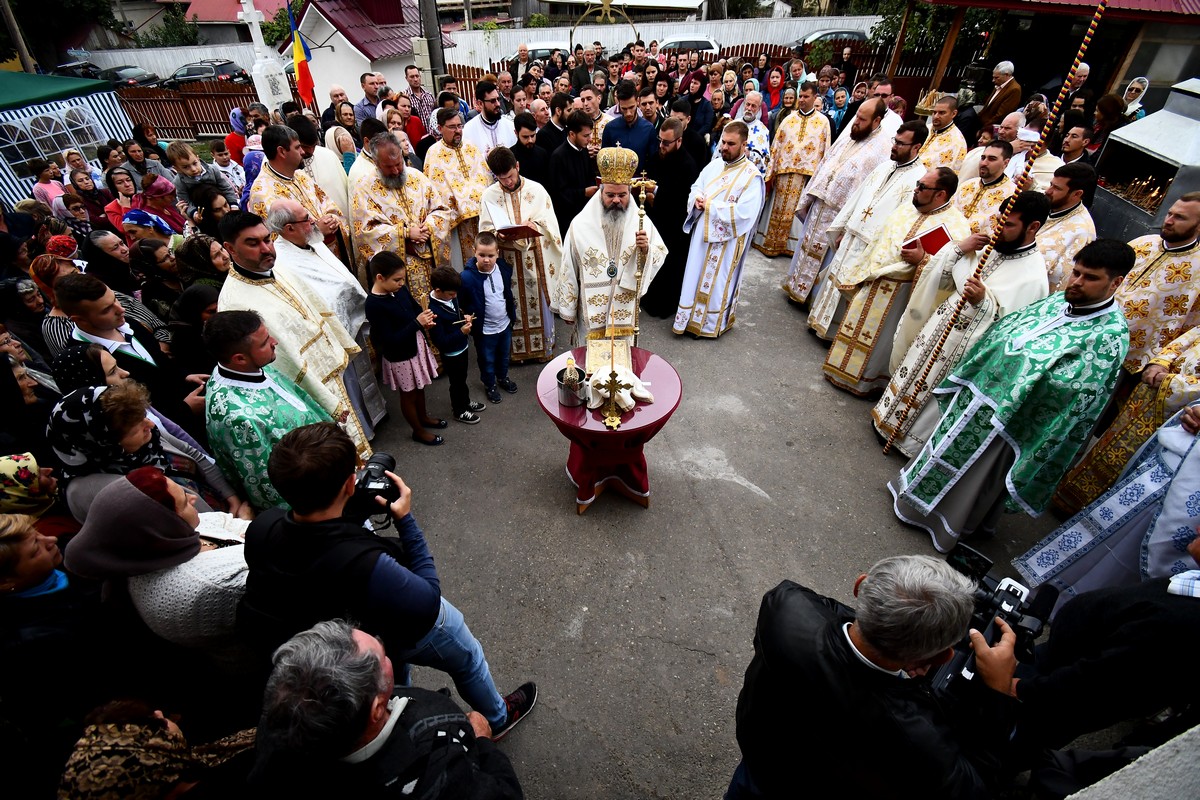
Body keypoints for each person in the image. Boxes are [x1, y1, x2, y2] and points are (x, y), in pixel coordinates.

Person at [238, 422, 538, 735]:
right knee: (468, 657)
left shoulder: (263, 528)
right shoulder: (367, 565)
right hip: (398, 627)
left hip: (351, 635)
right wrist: (405, 519)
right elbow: (428, 601)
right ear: (350, 484)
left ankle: (403, 705)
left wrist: (349, 509)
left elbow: (315, 544)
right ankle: (498, 717)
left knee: (392, 674)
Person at [890, 239, 1134, 553]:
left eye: (1090, 278)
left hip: (1015, 417)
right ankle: (911, 496)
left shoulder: (1111, 335)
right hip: (981, 391)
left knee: (977, 470)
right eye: (1076, 272)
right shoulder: (1058, 300)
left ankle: (946, 522)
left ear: (1115, 282)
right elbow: (1011, 327)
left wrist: (1019, 370)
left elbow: (1077, 391)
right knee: (945, 444)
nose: (1077, 282)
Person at [727, 554, 1019, 799]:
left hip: (759, 765)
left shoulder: (784, 605)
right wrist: (998, 691)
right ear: (943, 657)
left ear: (860, 585)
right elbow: (976, 788)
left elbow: (828, 614)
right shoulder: (916, 735)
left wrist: (888, 633)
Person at [249, 620, 525, 798]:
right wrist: (482, 742)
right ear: (377, 709)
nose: (387, 652)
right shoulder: (436, 774)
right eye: (381, 658)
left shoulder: (282, 723)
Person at [873, 191, 1052, 455]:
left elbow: (1012, 333)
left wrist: (983, 302)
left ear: (1032, 227)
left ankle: (910, 443)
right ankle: (886, 420)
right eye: (999, 220)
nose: (998, 229)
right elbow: (946, 279)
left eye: (1008, 224)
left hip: (966, 349)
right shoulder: (989, 246)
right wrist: (959, 249)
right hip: (940, 326)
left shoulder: (1034, 277)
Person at [1017, 402, 1200, 619]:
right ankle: (1041, 598)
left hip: (1183, 497)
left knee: (1127, 567)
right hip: (1165, 472)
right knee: (1096, 539)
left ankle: (1078, 618)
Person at [217, 212, 370, 459]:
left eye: (267, 239)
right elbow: (270, 365)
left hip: (329, 374)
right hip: (302, 397)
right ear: (230, 248)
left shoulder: (279, 269)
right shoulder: (234, 304)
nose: (266, 249)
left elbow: (313, 307)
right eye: (253, 243)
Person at [822, 167, 971, 395]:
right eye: (918, 183)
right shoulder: (907, 209)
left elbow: (951, 275)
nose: (916, 189)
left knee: (882, 343)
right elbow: (879, 241)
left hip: (903, 293)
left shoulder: (958, 226)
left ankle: (869, 382)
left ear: (940, 194)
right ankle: (840, 370)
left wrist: (923, 260)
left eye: (922, 187)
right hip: (874, 279)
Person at [264, 198, 384, 436]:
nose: (313, 221)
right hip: (330, 333)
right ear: (289, 228)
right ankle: (361, 428)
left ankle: (376, 414)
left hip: (350, 319)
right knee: (348, 381)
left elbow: (339, 277)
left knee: (362, 372)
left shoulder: (311, 241)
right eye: (306, 219)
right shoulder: (282, 261)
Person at [48, 381, 247, 522]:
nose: (150, 424)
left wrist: (232, 498)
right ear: (105, 443)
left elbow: (193, 454)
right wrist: (238, 523)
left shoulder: (147, 435)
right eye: (135, 428)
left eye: (145, 416)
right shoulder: (95, 493)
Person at [808, 121, 930, 340]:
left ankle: (835, 334)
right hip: (853, 234)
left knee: (852, 286)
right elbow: (858, 198)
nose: (894, 147)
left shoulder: (918, 178)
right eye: (895, 141)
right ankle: (819, 321)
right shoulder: (884, 167)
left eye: (901, 144)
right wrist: (843, 227)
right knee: (835, 277)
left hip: (872, 243)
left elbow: (903, 220)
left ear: (916, 147)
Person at [203, 311, 331, 511]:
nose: (274, 342)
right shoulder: (238, 419)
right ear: (239, 358)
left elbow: (298, 399)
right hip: (317, 499)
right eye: (264, 343)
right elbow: (267, 486)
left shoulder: (249, 367)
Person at [782, 99, 890, 304]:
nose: (856, 122)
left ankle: (814, 299)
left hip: (841, 214)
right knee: (807, 247)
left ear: (876, 120)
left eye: (862, 119)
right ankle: (796, 288)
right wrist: (810, 196)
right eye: (857, 116)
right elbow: (826, 162)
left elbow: (871, 190)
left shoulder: (882, 149)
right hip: (821, 203)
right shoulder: (851, 134)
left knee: (826, 256)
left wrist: (851, 223)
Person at [558, 146, 667, 345]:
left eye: (622, 195)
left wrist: (646, 250)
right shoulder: (580, 225)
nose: (616, 200)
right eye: (610, 195)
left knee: (623, 357)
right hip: (591, 314)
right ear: (600, 192)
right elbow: (569, 266)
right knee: (591, 359)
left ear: (629, 193)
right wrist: (568, 308)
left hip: (624, 309)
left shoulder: (640, 221)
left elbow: (660, 252)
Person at [673, 122, 765, 338]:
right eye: (723, 142)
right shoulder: (714, 165)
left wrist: (711, 207)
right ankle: (687, 319)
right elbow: (696, 187)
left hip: (726, 242)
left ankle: (708, 325)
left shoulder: (752, 177)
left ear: (744, 145)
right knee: (693, 275)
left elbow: (745, 214)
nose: (724, 147)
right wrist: (696, 199)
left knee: (716, 284)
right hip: (701, 237)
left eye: (731, 144)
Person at [478, 146, 563, 362]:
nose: (507, 182)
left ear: (517, 166)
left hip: (534, 259)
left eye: (510, 176)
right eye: (502, 178)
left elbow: (551, 225)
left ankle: (542, 350)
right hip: (506, 261)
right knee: (509, 301)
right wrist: (497, 234)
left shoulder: (537, 190)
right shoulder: (489, 195)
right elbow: (485, 230)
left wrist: (534, 225)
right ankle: (515, 353)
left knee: (538, 301)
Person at [350, 132, 453, 306]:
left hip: (430, 261)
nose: (396, 171)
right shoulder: (364, 187)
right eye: (388, 166)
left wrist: (428, 226)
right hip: (399, 271)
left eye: (398, 163)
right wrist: (405, 233)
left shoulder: (417, 177)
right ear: (376, 162)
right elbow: (364, 231)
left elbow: (441, 210)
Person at [1115, 193, 1200, 376]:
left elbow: (1194, 327)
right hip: (1094, 331)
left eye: (1180, 218)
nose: (1168, 221)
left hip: (1135, 360)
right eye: (1170, 213)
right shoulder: (1142, 243)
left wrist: (1164, 361)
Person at [365, 252, 446, 445]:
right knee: (408, 394)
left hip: (414, 345)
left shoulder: (398, 289)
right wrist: (417, 323)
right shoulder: (374, 304)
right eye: (397, 280)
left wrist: (426, 319)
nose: (402, 283)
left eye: (403, 279)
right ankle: (418, 431)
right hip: (399, 356)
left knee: (420, 386)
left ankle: (423, 418)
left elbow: (414, 308)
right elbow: (389, 340)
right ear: (380, 278)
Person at [247, 125, 348, 262]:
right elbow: (278, 242)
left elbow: (327, 203)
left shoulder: (300, 175)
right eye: (297, 147)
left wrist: (332, 219)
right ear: (282, 151)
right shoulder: (262, 194)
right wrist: (316, 231)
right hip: (307, 264)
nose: (302, 152)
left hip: (333, 255)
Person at [754, 82, 830, 259]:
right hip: (783, 173)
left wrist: (820, 177)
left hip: (805, 177)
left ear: (815, 97)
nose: (802, 100)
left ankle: (790, 246)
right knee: (777, 208)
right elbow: (776, 145)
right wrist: (771, 171)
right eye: (800, 96)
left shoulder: (823, 122)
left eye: (806, 96)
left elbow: (825, 151)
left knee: (797, 211)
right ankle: (771, 243)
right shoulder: (789, 119)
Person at [640, 117, 702, 319]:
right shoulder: (658, 156)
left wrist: (656, 193)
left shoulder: (688, 165)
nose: (661, 146)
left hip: (675, 225)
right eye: (660, 140)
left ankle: (665, 306)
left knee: (670, 267)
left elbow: (681, 198)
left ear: (679, 141)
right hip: (657, 220)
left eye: (666, 143)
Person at [423, 108, 493, 272]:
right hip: (457, 222)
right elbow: (435, 190)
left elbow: (485, 176)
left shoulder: (471, 147)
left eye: (460, 126)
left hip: (480, 217)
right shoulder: (434, 153)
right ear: (440, 128)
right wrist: (461, 205)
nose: (458, 131)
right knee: (462, 266)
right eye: (452, 127)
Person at [458, 232, 517, 406]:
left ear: (497, 253)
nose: (486, 260)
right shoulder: (466, 277)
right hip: (484, 330)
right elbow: (461, 301)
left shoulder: (503, 268)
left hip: (504, 324)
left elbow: (506, 293)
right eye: (481, 255)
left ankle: (502, 377)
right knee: (487, 359)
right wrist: (465, 315)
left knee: (504, 356)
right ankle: (490, 385)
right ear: (474, 251)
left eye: (490, 255)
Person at [1039, 162, 1098, 290]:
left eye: (1056, 188)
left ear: (1077, 194)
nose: (1048, 191)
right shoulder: (1049, 205)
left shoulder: (1082, 233)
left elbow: (1061, 280)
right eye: (1050, 184)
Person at [288, 114, 351, 222]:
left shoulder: (328, 155)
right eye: (305, 146)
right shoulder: (285, 163)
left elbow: (344, 195)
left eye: (313, 146)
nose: (311, 151)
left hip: (339, 225)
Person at [548, 110, 598, 234]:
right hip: (567, 221)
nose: (589, 139)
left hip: (586, 216)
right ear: (572, 134)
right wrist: (583, 193)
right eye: (585, 136)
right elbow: (559, 194)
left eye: (590, 134)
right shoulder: (558, 157)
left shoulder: (584, 151)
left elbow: (590, 176)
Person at [166, 141, 239, 224]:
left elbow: (226, 187)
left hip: (222, 205)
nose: (193, 169)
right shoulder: (179, 182)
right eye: (186, 167)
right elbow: (185, 201)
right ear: (177, 169)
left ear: (198, 158)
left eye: (194, 163)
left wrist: (233, 204)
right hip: (203, 213)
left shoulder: (212, 170)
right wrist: (194, 213)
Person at [954, 140, 1014, 235]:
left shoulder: (1012, 195)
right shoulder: (967, 185)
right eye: (983, 158)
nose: (984, 163)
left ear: (1005, 163)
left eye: (992, 159)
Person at [601, 80, 656, 164]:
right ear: (618, 104)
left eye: (631, 107)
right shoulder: (610, 128)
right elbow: (604, 162)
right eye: (624, 109)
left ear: (637, 101)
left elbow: (653, 162)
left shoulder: (649, 129)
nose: (628, 113)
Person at [462, 79, 517, 158]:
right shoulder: (469, 130)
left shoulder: (510, 126)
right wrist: (486, 156)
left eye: (498, 99)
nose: (498, 104)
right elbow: (468, 160)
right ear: (480, 104)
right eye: (493, 101)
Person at [919, 95, 968, 171]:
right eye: (934, 112)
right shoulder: (926, 128)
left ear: (953, 114)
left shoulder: (957, 142)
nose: (936, 116)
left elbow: (947, 171)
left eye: (941, 113)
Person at [510, 111, 549, 186]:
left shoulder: (542, 154)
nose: (530, 140)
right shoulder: (510, 156)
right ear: (516, 133)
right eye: (525, 137)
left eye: (532, 135)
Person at [978, 60, 1021, 129]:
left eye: (996, 78)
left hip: (989, 128)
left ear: (1006, 75)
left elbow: (1001, 115)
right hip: (982, 123)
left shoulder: (1014, 89)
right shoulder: (999, 84)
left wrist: (984, 128)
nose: (993, 80)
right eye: (993, 77)